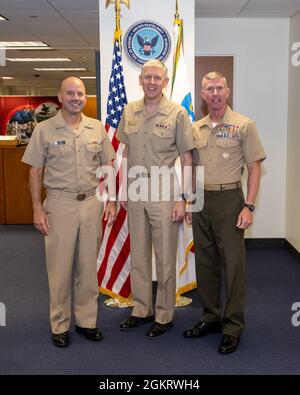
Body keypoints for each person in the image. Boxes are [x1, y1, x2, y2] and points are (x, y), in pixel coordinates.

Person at [22, 77, 116, 348]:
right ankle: (60, 324)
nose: (76, 98)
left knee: (88, 269)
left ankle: (87, 321)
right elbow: (35, 171)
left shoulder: (96, 128)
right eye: (71, 94)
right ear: (60, 97)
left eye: (81, 94)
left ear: (85, 98)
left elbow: (108, 164)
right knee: (60, 269)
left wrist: (110, 200)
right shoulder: (44, 130)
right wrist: (37, 208)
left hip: (90, 203)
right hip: (59, 205)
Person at [183, 71, 266, 354]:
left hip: (231, 199)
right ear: (203, 95)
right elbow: (191, 167)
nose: (215, 93)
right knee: (205, 264)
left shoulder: (244, 125)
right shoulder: (196, 128)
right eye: (209, 89)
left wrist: (249, 205)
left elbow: (255, 166)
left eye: (219, 88)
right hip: (201, 200)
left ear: (227, 91)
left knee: (233, 268)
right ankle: (210, 318)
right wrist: (188, 201)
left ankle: (232, 327)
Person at [117, 60, 193, 338]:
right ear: (141, 80)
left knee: (164, 257)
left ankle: (163, 315)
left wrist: (185, 197)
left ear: (165, 80)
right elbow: (125, 152)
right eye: (147, 77)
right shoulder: (130, 111)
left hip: (164, 189)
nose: (151, 82)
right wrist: (123, 189)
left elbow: (187, 157)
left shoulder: (177, 113)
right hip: (136, 188)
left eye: (157, 78)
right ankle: (141, 310)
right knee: (138, 254)